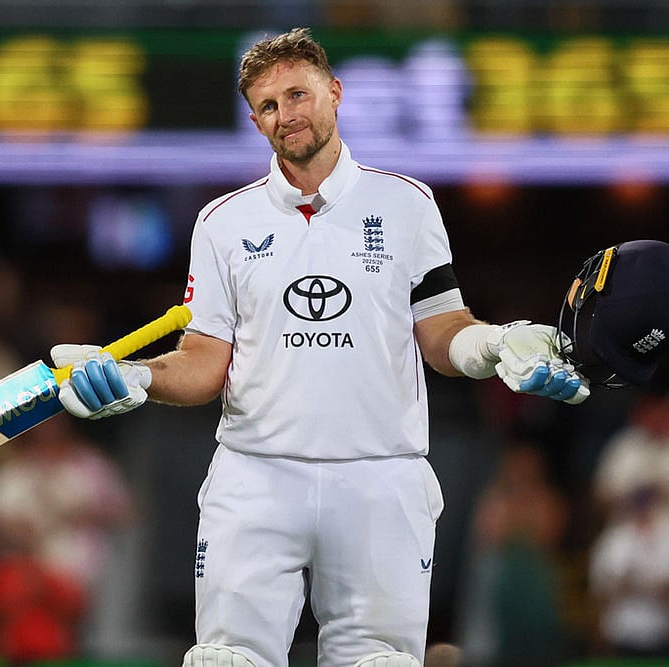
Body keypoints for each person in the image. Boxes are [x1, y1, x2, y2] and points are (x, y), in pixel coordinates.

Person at [50, 28, 589, 667]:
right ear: (255, 121)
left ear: (334, 93)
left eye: (298, 94)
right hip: (256, 474)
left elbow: (443, 334)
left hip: (380, 474)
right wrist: (132, 378)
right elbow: (203, 362)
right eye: (270, 106)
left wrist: (497, 345)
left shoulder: (406, 205)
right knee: (226, 660)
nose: (288, 115)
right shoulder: (224, 223)